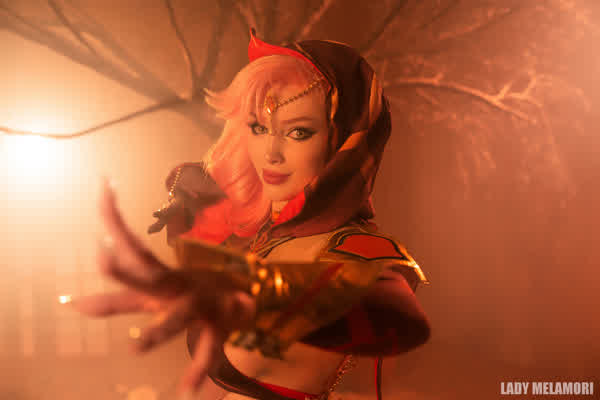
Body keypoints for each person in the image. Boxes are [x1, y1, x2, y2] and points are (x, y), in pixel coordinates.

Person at [68, 31, 431, 400]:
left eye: (299, 132)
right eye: (259, 128)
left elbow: (398, 314)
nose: (270, 152)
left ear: (344, 141)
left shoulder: (356, 249)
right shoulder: (264, 241)